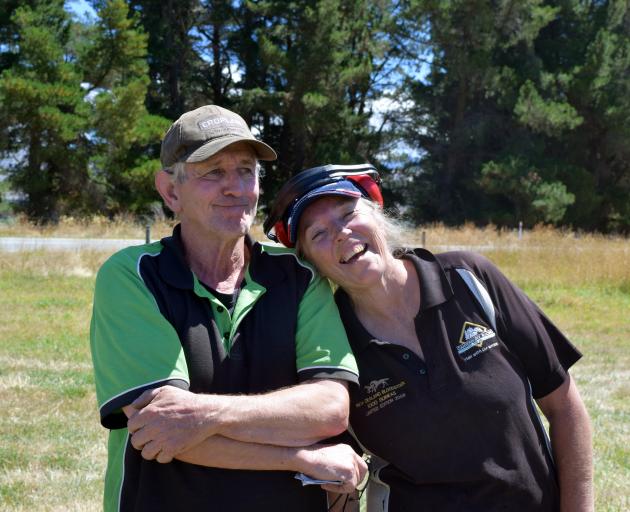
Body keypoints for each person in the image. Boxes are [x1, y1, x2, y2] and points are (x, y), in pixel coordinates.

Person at [264, 163, 594, 511]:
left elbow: (565, 407)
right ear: (311, 263)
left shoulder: (469, 279)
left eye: (348, 213)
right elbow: (338, 476)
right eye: (319, 234)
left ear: (377, 213)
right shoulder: (332, 342)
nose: (342, 233)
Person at [89, 106, 367, 512]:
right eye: (213, 172)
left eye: (246, 170)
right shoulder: (133, 276)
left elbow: (329, 409)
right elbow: (160, 430)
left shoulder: (299, 275)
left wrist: (204, 413)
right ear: (171, 191)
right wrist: (299, 458)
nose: (236, 187)